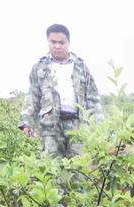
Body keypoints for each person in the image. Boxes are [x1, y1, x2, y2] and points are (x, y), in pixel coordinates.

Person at [19, 24, 102, 157]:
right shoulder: (39, 67)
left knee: (80, 169)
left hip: (78, 126)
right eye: (53, 42)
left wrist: (99, 127)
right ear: (48, 42)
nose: (57, 46)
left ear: (68, 43)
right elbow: (32, 96)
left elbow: (93, 98)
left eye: (61, 42)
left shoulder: (81, 67)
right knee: (51, 169)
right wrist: (26, 122)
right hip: (50, 128)